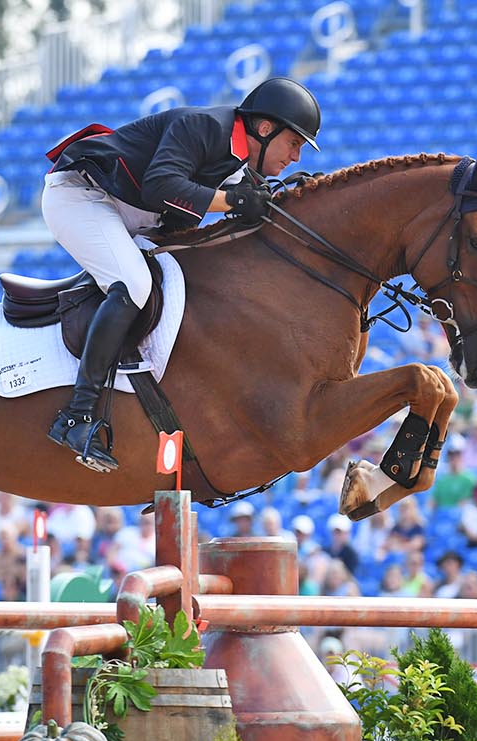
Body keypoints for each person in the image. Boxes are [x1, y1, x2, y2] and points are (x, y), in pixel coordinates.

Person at [42, 77, 322, 471]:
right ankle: (76, 414)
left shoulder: (238, 159)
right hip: (81, 197)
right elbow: (161, 185)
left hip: (127, 208)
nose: (296, 157)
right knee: (134, 284)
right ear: (264, 128)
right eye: (294, 143)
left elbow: (249, 202)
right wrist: (232, 200)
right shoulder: (205, 127)